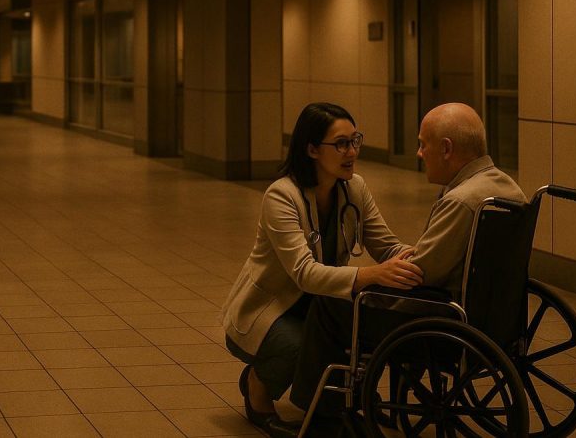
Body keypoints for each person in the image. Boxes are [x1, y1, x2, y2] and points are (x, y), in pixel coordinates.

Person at [276, 102, 527, 437]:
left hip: (442, 318)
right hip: (491, 318)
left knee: (330, 305)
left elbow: (420, 274)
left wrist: (379, 274)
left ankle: (318, 412)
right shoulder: (508, 188)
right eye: (342, 143)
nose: (419, 153)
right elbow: (405, 253)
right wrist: (405, 257)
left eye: (424, 144)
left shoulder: (461, 200)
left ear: (447, 149)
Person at [222, 103, 424, 433]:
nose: (352, 152)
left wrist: (422, 256)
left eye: (354, 141)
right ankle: (257, 388)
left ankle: (334, 403)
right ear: (312, 149)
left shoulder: (354, 188)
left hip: (319, 304)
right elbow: (304, 272)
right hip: (270, 310)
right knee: (299, 346)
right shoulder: (282, 196)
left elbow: (386, 246)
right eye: (341, 144)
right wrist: (370, 274)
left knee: (354, 326)